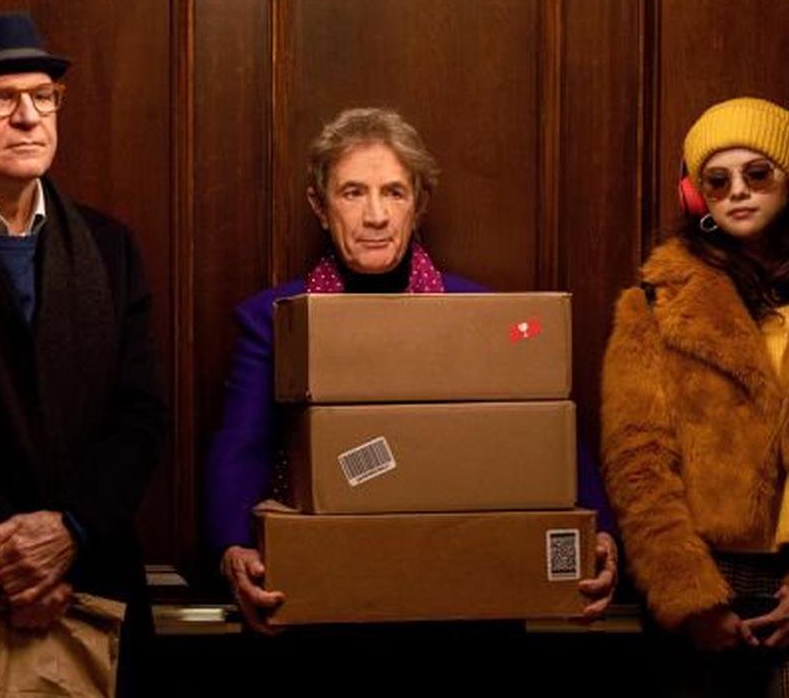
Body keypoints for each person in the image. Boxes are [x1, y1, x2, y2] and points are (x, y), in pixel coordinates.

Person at [205, 107, 618, 633]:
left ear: (418, 205)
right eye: (352, 193)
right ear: (319, 206)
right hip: (330, 598)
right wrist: (234, 548)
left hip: (462, 596)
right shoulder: (273, 318)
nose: (375, 215)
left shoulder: (482, 314)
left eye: (394, 193)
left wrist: (598, 532)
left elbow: (544, 426)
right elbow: (242, 446)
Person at [600, 97, 789, 695]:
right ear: (697, 197)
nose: (737, 191)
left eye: (757, 173)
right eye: (717, 180)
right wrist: (690, 597)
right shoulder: (654, 305)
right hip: (704, 581)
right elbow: (638, 464)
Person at [0, 13, 167, 695]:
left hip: (96, 571)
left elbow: (141, 414)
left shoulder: (108, 247)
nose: (28, 116)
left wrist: (69, 532)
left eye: (43, 96)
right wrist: (10, 559)